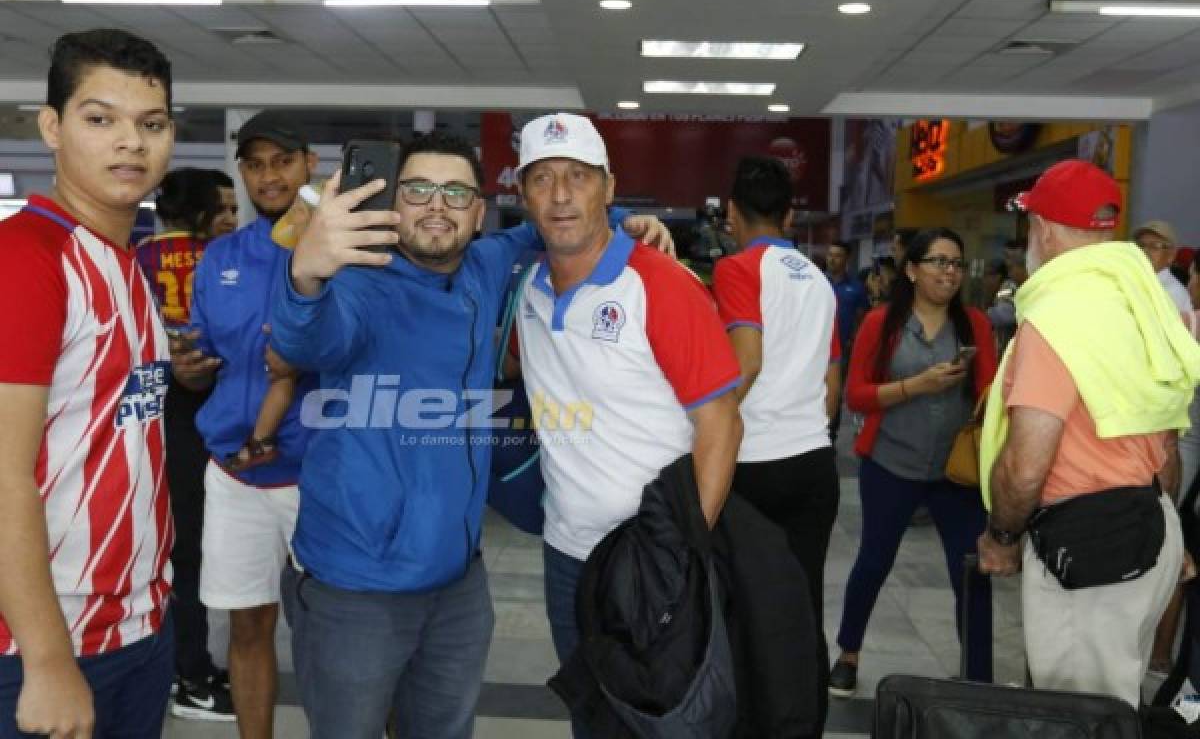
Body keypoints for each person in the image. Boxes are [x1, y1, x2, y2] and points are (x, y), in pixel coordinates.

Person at [269, 129, 672, 739]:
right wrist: (305, 274)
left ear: (479, 212)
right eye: (419, 190)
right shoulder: (357, 284)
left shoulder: (487, 262)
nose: (437, 205)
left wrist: (625, 219)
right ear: (393, 203)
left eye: (456, 193)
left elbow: (548, 221)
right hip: (357, 590)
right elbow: (304, 339)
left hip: (458, 586)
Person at [510, 113, 743, 738]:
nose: (561, 194)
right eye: (543, 178)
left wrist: (682, 547)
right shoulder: (527, 291)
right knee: (593, 718)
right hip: (567, 555)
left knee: (659, 721)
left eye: (578, 176)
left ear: (608, 189)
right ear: (523, 194)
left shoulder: (661, 284)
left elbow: (722, 419)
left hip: (651, 556)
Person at [0, 28, 176, 738]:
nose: (129, 143)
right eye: (100, 120)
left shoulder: (125, 260)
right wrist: (47, 661)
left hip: (137, 626)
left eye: (151, 124)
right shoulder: (27, 261)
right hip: (43, 644)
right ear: (52, 127)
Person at [977, 160, 1200, 708]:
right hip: (1149, 526)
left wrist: (1002, 537)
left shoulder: (1060, 314)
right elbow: (1165, 438)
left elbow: (1027, 461)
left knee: (1077, 715)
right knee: (1113, 703)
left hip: (1091, 545)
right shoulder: (1143, 302)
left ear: (1045, 230)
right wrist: (1166, 531)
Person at [170, 109, 320, 739]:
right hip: (235, 474)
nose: (268, 175)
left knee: (341, 634)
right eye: (254, 164)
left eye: (282, 160)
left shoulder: (342, 246)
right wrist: (190, 369)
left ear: (308, 164)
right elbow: (205, 371)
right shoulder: (221, 257)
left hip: (321, 473)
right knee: (247, 626)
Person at [830, 228, 998, 698]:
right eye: (939, 261)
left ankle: (978, 676)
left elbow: (987, 394)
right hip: (890, 464)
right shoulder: (881, 324)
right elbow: (856, 393)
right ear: (911, 269)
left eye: (956, 264)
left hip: (955, 472)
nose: (950, 272)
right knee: (874, 560)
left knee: (970, 570)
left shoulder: (975, 327)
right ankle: (848, 652)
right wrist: (915, 387)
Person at [712, 155, 840, 730]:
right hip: (814, 464)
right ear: (790, 216)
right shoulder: (819, 281)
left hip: (753, 467)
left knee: (746, 609)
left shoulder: (738, 269)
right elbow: (831, 382)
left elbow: (747, 360)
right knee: (803, 606)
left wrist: (710, 428)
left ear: (732, 212)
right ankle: (803, 723)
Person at [135, 168, 237, 721]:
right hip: (197, 417)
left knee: (182, 548)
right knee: (192, 552)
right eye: (220, 209)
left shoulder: (133, 261)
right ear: (198, 212)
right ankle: (190, 675)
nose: (229, 220)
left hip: (155, 415)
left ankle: (190, 663)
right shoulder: (220, 263)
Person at [827, 240, 869, 444]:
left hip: (842, 350)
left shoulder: (857, 288)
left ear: (846, 259)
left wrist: (855, 342)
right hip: (817, 348)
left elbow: (862, 319)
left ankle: (830, 436)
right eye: (830, 255)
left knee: (835, 391)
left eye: (837, 255)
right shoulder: (818, 281)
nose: (832, 259)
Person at [1135, 220, 1192, 314]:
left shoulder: (1173, 292)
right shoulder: (1129, 279)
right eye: (1140, 245)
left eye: (1154, 246)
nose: (1144, 251)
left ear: (1171, 256)